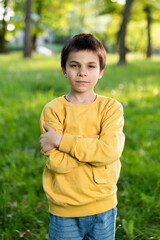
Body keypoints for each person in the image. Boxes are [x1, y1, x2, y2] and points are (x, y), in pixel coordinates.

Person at [40, 33, 125, 240]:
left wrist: (61, 140)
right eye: (75, 65)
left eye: (91, 66)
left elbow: (109, 151)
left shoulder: (111, 108)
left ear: (101, 71)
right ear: (64, 70)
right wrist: (94, 153)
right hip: (65, 208)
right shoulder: (54, 110)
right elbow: (58, 164)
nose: (82, 73)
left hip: (102, 205)